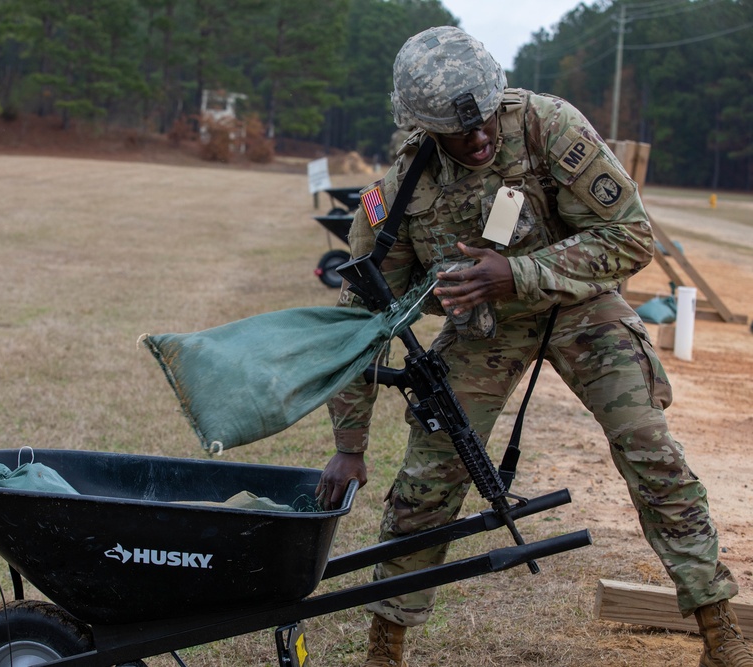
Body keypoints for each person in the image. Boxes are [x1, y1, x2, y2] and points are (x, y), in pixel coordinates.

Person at [314, 26, 752, 667]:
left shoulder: (549, 126)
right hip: (483, 330)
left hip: (580, 307)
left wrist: (518, 272)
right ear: (426, 127)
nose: (482, 136)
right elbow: (360, 318)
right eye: (462, 133)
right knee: (429, 475)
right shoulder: (403, 190)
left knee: (649, 445)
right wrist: (348, 447)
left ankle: (721, 632)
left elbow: (631, 236)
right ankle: (387, 644)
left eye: (487, 118)